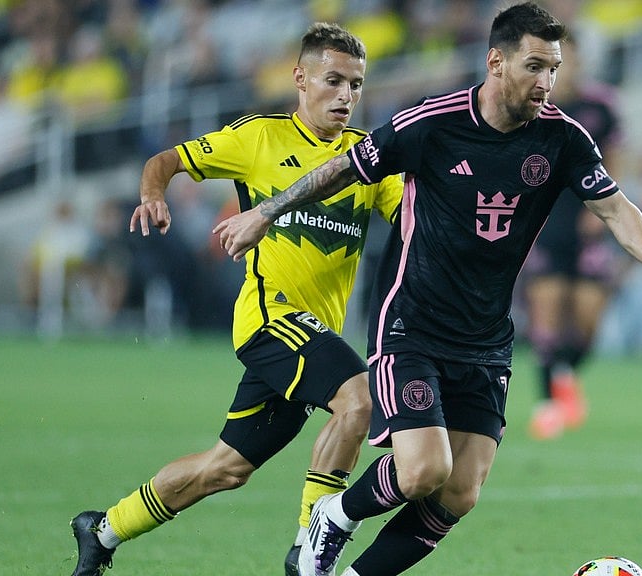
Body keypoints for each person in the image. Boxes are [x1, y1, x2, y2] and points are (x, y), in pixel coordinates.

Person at [214, 4, 642, 575]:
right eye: (534, 66)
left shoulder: (563, 138)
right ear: (496, 62)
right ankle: (334, 514)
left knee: (460, 492)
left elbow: (614, 207)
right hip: (412, 327)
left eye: (554, 69)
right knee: (423, 470)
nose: (546, 82)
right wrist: (267, 211)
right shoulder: (431, 123)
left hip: (486, 339)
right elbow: (342, 169)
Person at [68, 23, 403, 576]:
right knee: (359, 399)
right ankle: (311, 549)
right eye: (333, 80)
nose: (346, 95)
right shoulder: (259, 138)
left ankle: (103, 529)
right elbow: (165, 161)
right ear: (300, 79)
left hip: (314, 334)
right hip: (271, 319)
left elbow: (414, 220)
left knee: (225, 469)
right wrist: (153, 195)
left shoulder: (365, 158)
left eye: (356, 84)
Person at [520, 39, 625, 440]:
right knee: (546, 314)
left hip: (588, 222)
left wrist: (605, 205)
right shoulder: (529, 105)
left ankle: (563, 373)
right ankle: (547, 404)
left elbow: (616, 160)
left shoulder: (602, 106)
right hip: (544, 223)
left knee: (588, 321)